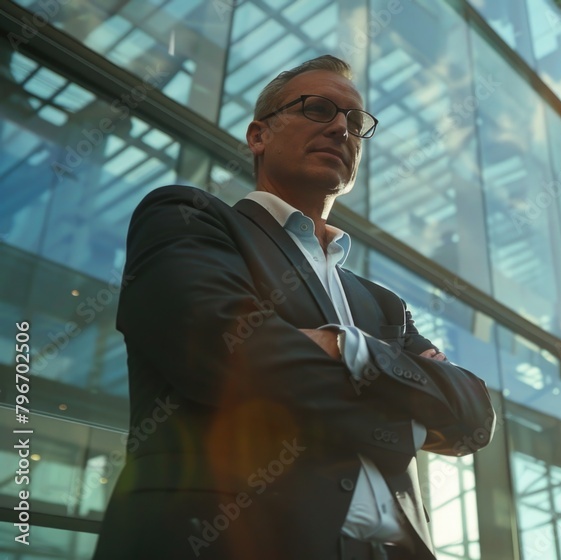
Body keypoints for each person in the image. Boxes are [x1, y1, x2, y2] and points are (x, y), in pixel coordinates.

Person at [92, 55, 496, 560]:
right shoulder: (188, 218)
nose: (339, 128)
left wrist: (347, 347)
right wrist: (405, 411)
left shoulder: (383, 304)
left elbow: (475, 414)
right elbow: (230, 354)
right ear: (258, 135)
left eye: (354, 122)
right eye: (319, 109)